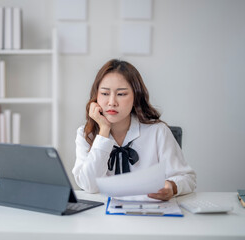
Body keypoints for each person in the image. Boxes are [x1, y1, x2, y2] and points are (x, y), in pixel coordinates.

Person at [72, 59, 196, 201]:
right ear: (96, 96)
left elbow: (188, 178)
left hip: (149, 216)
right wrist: (104, 131)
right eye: (105, 94)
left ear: (135, 97)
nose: (112, 102)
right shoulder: (85, 133)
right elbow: (89, 186)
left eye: (121, 94)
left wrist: (172, 187)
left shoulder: (158, 132)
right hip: (102, 217)